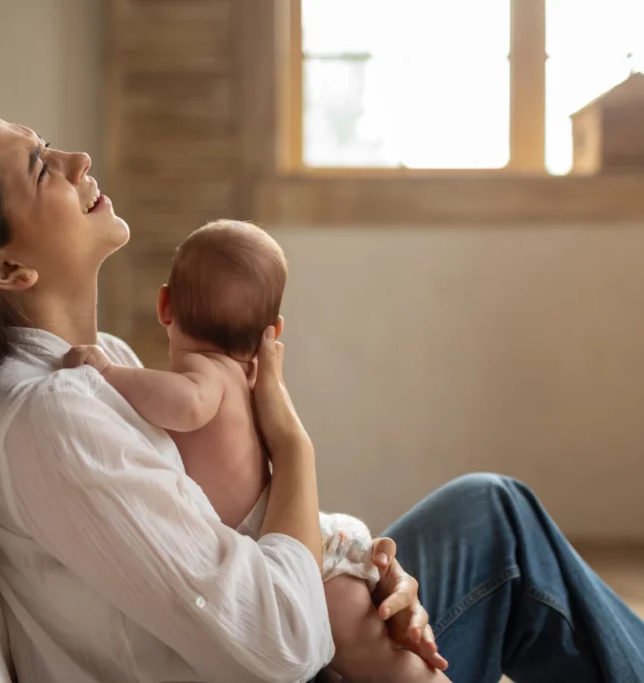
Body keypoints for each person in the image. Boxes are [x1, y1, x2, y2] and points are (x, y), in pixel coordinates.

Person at [0, 98, 644, 683]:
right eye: (40, 168)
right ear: (7, 266)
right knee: (502, 527)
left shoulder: (86, 368)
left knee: (489, 512)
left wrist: (366, 575)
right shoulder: (56, 415)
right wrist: (293, 445)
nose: (74, 159)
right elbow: (284, 639)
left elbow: (236, 544)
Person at [62, 218, 447, 682]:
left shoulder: (206, 376)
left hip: (307, 560)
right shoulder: (244, 381)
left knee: (378, 654)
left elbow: (187, 405)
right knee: (383, 654)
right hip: (312, 542)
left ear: (164, 305)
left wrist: (107, 373)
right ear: (274, 330)